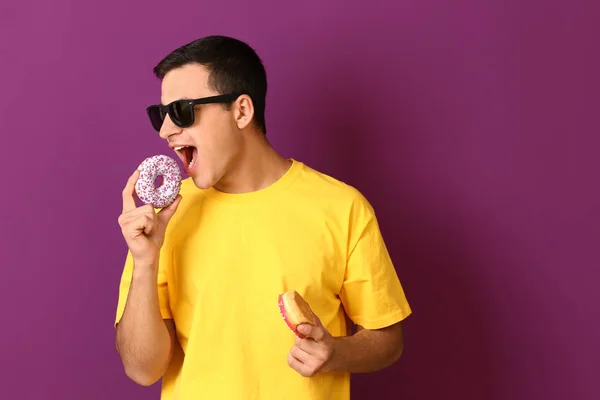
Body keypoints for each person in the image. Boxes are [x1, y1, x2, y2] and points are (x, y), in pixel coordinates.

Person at [114, 35, 412, 400]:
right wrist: (145, 262)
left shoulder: (342, 207)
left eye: (182, 112)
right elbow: (142, 370)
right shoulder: (165, 220)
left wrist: (336, 352)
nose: (165, 131)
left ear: (241, 111)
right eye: (160, 115)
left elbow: (388, 339)